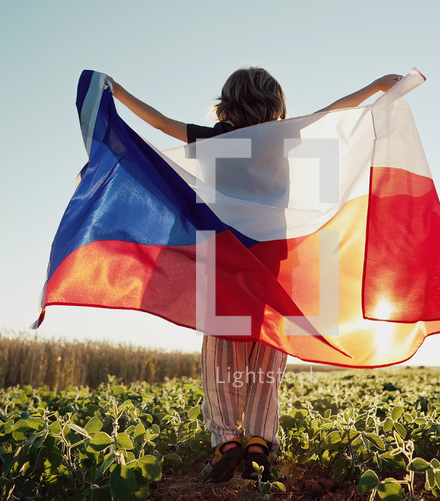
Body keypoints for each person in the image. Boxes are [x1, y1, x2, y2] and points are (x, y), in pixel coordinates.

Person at [105, 66, 402, 484]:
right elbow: (333, 112)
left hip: (222, 260)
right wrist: (375, 88)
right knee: (268, 347)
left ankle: (226, 441)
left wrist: (118, 92)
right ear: (275, 104)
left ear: (227, 103)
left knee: (221, 354)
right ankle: (260, 442)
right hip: (273, 264)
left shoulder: (214, 140)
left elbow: (158, 122)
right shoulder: (281, 141)